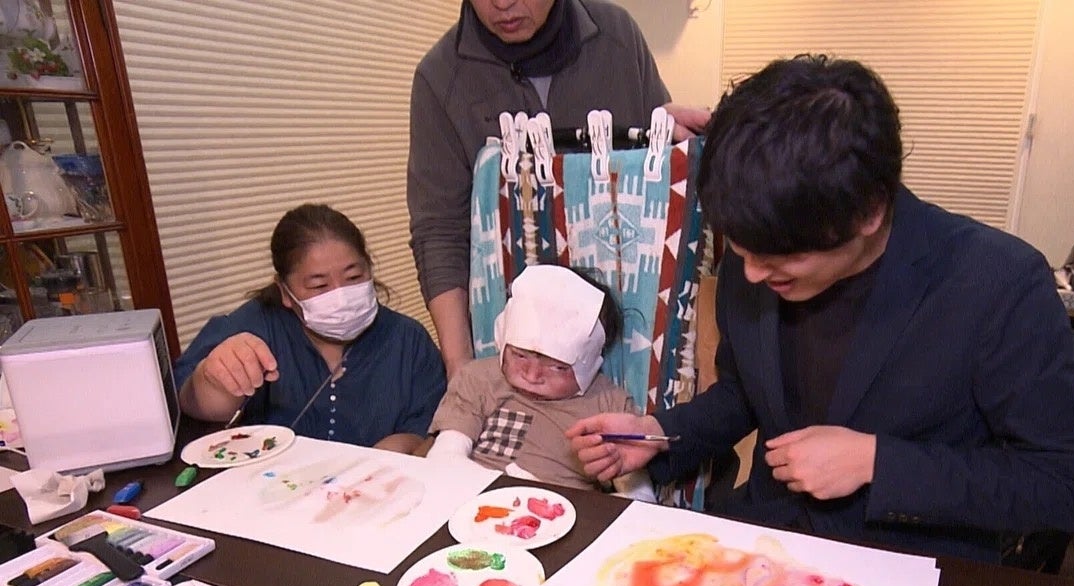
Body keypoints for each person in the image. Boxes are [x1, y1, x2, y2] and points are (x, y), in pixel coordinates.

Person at [568, 55, 1074, 563]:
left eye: (780, 256)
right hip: (763, 544)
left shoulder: (996, 282)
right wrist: (655, 434)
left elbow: (1073, 485)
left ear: (869, 212)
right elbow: (745, 393)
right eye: (739, 248)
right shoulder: (756, 249)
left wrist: (878, 463)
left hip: (908, 567)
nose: (751, 273)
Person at [408, 0, 710, 379]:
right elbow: (438, 231)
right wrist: (459, 366)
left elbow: (655, 181)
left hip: (620, 329)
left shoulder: (617, 38)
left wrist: (667, 141)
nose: (503, 4)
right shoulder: (440, 77)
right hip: (512, 343)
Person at [175, 204, 446, 453]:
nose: (341, 296)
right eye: (319, 285)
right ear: (284, 291)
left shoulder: (408, 340)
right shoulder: (254, 327)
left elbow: (434, 427)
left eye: (354, 276)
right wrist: (213, 381)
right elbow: (186, 404)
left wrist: (402, 447)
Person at [425, 264, 651, 498]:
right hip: (470, 494)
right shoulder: (479, 379)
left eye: (558, 367)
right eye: (520, 355)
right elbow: (445, 457)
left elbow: (640, 496)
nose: (532, 376)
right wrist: (502, 487)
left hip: (566, 511)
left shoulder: (611, 406)